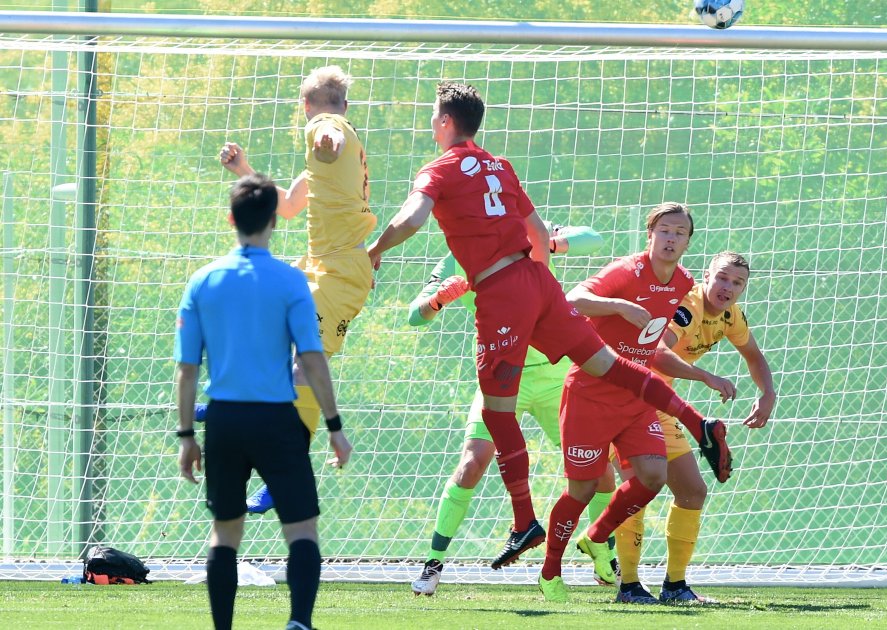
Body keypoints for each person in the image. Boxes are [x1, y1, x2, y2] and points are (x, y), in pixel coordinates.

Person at [368, 82, 728, 570]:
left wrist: (373, 252)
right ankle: (697, 422)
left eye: (434, 118)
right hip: (539, 282)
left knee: (498, 414)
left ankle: (524, 522)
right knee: (609, 365)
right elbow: (537, 234)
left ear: (446, 122)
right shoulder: (501, 166)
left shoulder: (438, 169)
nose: (432, 126)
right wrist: (533, 282)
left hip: (504, 295)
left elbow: (412, 220)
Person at [175, 174, 352, 630]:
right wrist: (334, 428)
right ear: (275, 220)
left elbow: (187, 369)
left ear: (232, 219)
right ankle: (298, 623)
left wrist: (186, 436)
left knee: (226, 533)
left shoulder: (203, 281)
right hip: (277, 420)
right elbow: (312, 360)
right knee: (302, 531)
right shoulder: (291, 282)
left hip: (226, 422)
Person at [408, 223, 620, 595]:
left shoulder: (527, 233)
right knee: (472, 463)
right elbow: (415, 315)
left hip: (554, 379)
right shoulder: (456, 256)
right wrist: (437, 300)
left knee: (599, 469)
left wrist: (551, 244)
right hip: (502, 379)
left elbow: (595, 237)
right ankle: (433, 564)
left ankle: (604, 555)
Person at [211, 65, 374, 515]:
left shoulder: (328, 129)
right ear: (346, 102)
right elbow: (286, 205)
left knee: (303, 366)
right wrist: (244, 169)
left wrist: (325, 138)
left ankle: (285, 474)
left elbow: (328, 135)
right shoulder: (329, 164)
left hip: (339, 275)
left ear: (305, 107)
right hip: (322, 268)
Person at [539, 202, 713, 602]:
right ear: (650, 235)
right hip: (589, 396)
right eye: (665, 231)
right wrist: (619, 305)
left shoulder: (683, 283)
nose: (671, 239)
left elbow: (651, 346)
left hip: (635, 398)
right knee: (580, 492)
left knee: (652, 478)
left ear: (688, 241)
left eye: (679, 233)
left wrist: (701, 374)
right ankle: (550, 572)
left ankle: (597, 537)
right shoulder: (627, 270)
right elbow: (574, 298)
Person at [613, 251, 776, 604]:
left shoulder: (731, 316)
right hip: (624, 397)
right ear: (706, 276)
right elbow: (655, 352)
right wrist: (706, 377)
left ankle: (674, 587)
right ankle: (627, 585)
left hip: (659, 402)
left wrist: (767, 394)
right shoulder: (687, 307)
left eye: (737, 283)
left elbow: (754, 355)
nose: (727, 287)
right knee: (637, 488)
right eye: (722, 278)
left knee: (692, 491)